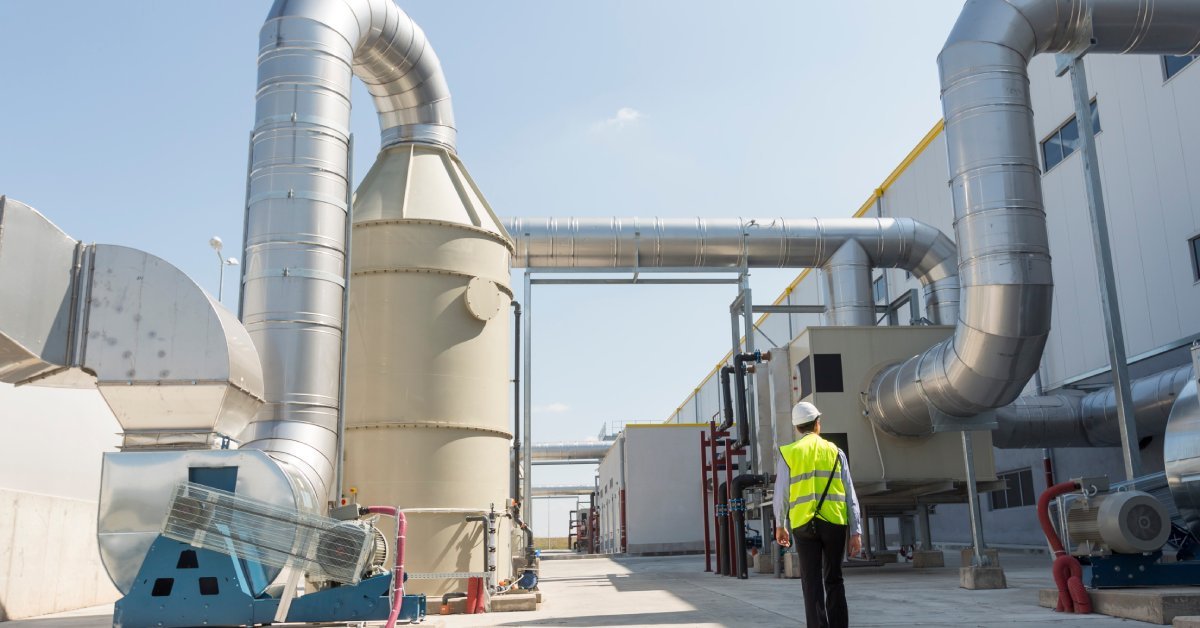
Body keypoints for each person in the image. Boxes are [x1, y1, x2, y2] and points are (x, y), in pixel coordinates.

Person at [773, 401, 862, 628]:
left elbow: (781, 492)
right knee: (834, 579)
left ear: (797, 427)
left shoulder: (789, 453)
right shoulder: (835, 452)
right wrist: (856, 530)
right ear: (817, 424)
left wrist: (780, 524)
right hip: (834, 523)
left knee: (811, 582)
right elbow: (849, 491)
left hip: (803, 524)